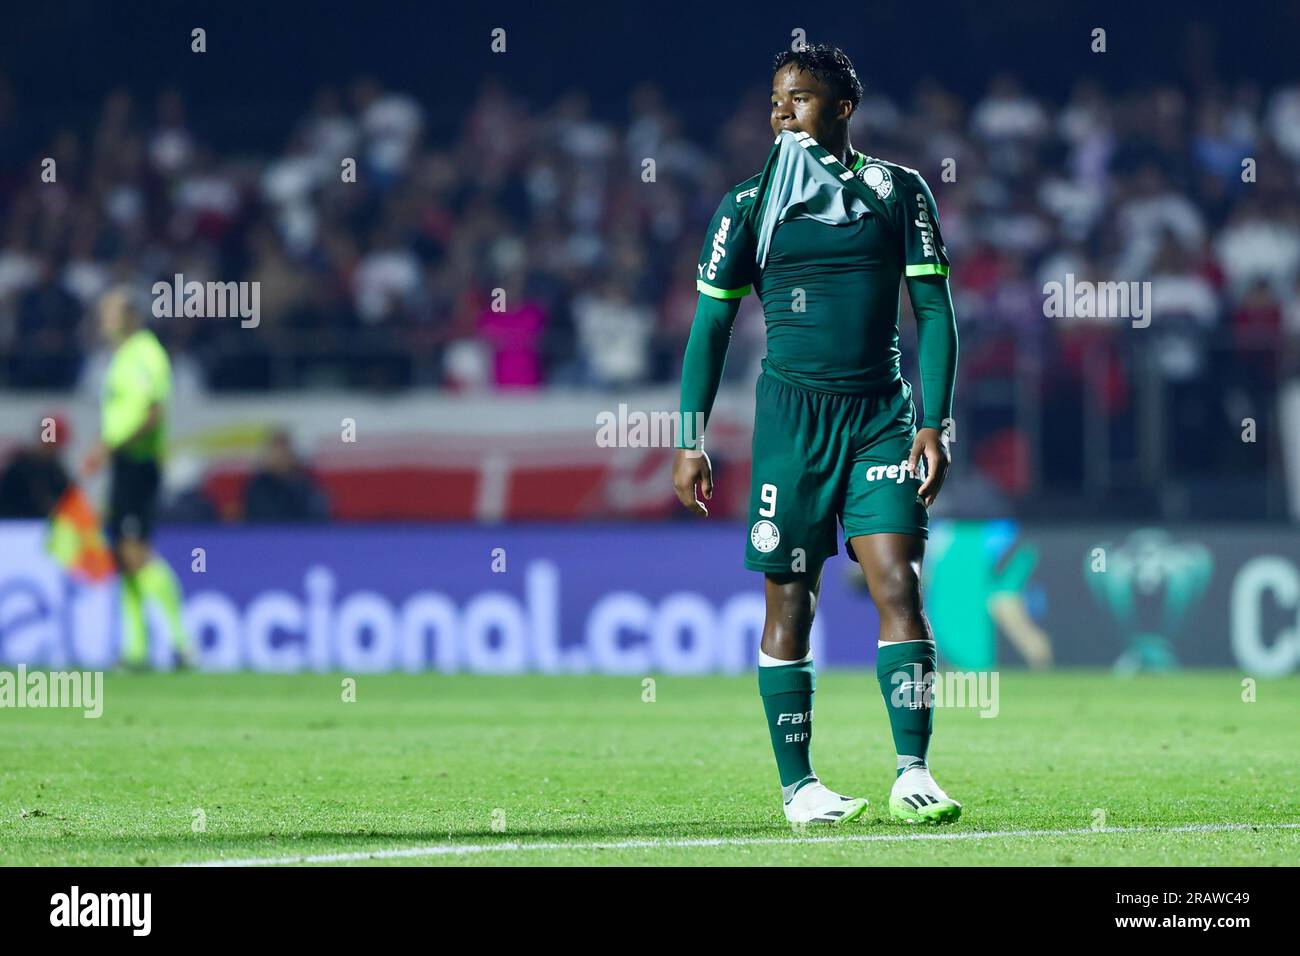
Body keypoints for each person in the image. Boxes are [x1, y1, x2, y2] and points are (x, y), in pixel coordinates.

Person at [672, 45, 961, 825]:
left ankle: (912, 771)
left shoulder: (898, 192)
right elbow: (712, 328)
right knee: (791, 600)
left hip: (880, 419)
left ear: (842, 109)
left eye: (799, 98)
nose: (782, 111)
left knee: (897, 582)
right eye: (775, 99)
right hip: (792, 427)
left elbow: (933, 312)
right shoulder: (747, 204)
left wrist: (931, 421)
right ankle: (800, 787)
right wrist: (689, 438)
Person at [82, 287, 192, 668]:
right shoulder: (123, 357)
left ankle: (183, 643)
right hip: (124, 463)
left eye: (109, 314)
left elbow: (151, 415)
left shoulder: (145, 354)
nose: (103, 323)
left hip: (138, 463)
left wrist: (106, 447)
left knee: (135, 552)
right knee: (121, 556)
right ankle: (137, 650)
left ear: (130, 317)